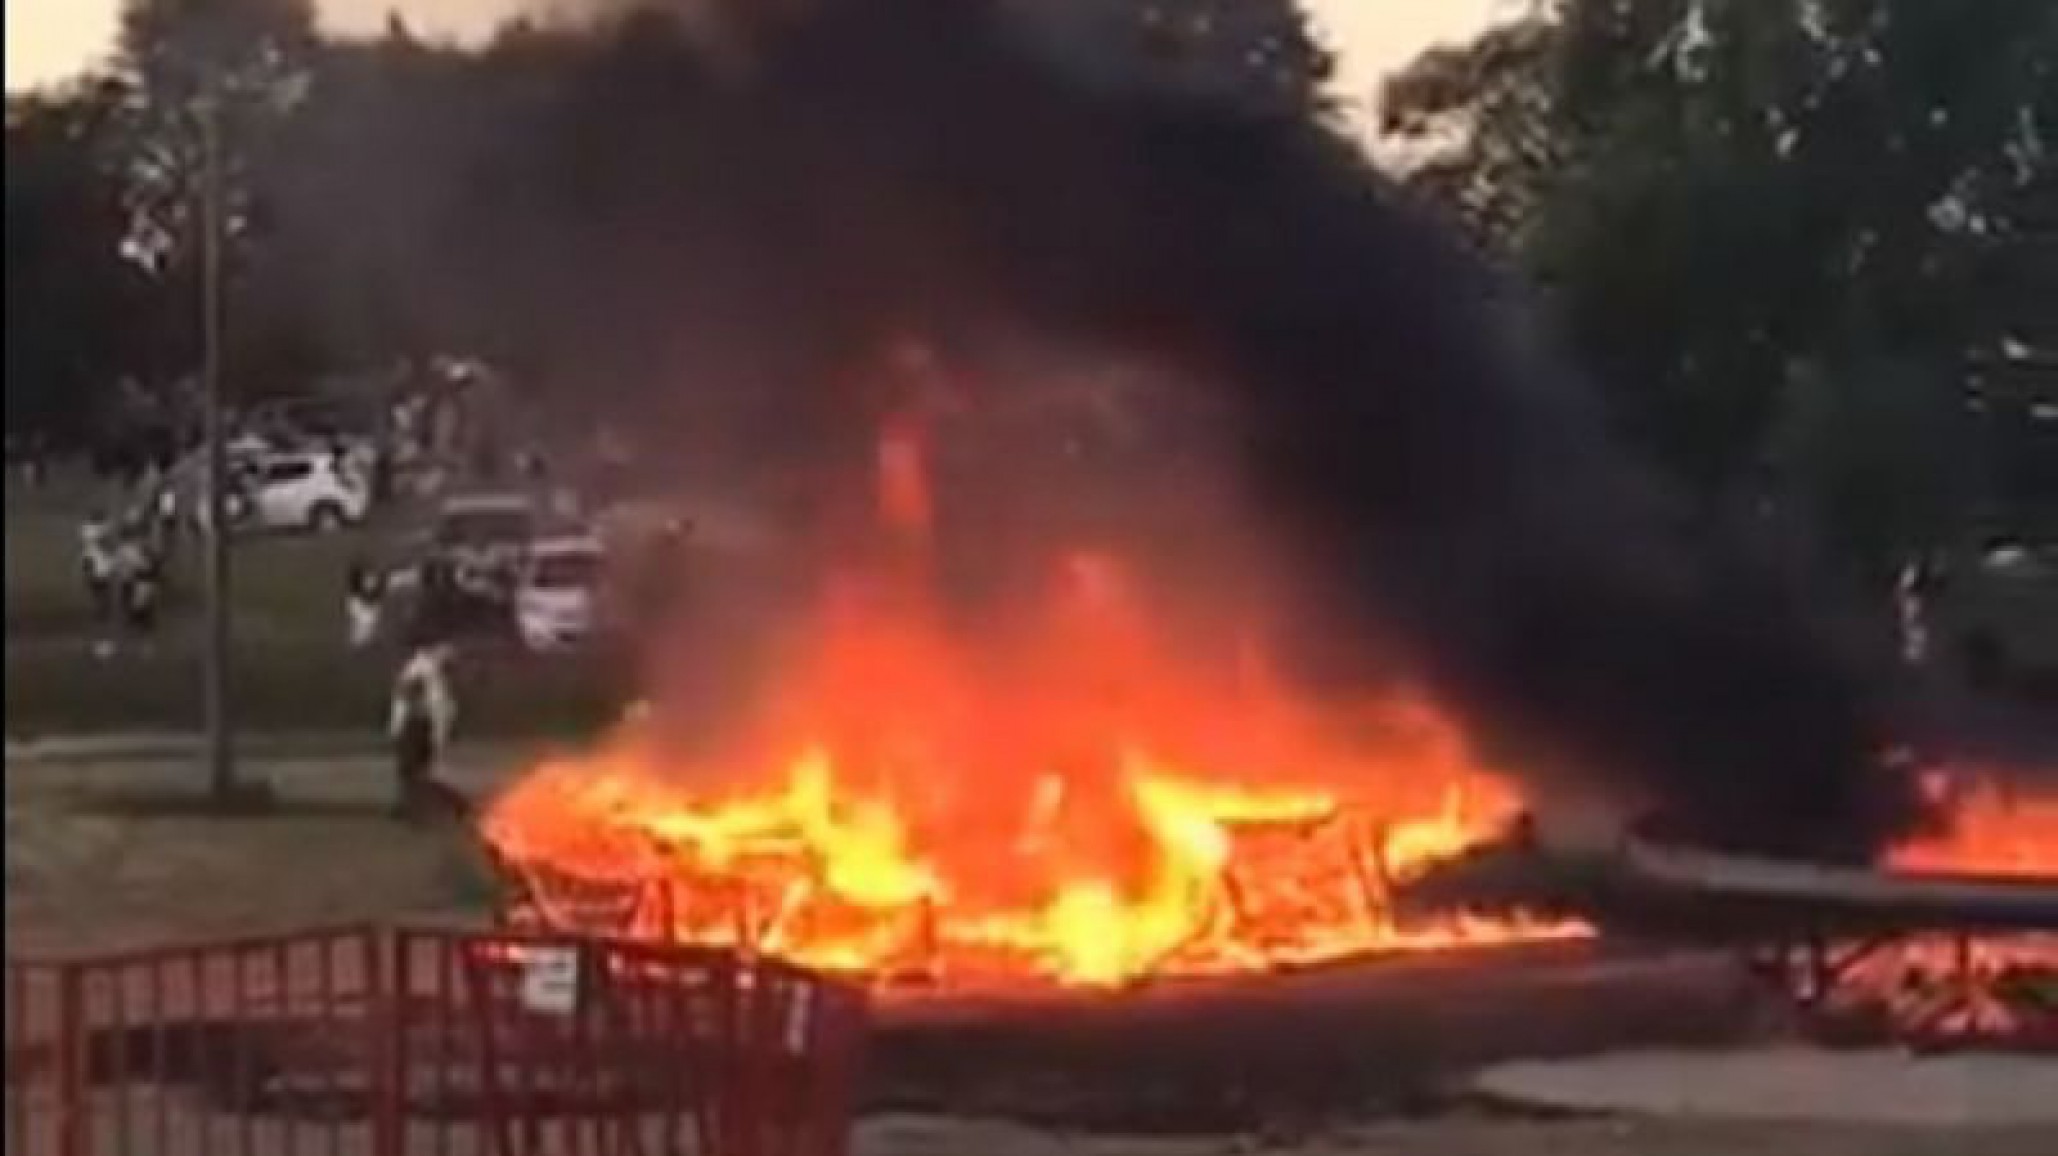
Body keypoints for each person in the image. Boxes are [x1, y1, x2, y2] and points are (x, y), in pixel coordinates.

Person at [388, 641, 458, 818]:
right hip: (416, 726)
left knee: (413, 772)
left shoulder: (430, 673)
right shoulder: (426, 670)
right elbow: (405, 690)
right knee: (413, 772)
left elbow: (406, 691)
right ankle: (407, 807)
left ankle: (410, 807)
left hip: (417, 726)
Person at [345, 561, 386, 648]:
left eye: (373, 577)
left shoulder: (376, 597)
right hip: (363, 644)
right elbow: (368, 620)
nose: (374, 580)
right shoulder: (355, 603)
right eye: (368, 578)